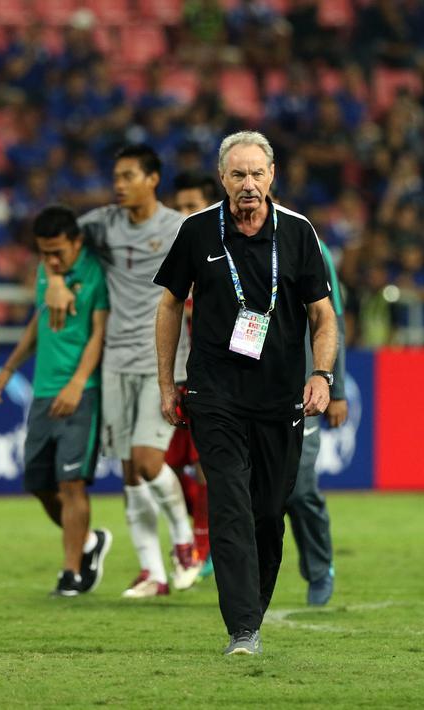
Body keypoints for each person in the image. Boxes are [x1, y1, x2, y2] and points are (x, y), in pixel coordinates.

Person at [153, 131, 337, 655]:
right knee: (230, 504)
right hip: (215, 394)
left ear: (272, 175)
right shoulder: (196, 231)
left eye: (257, 173)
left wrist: (321, 375)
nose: (249, 184)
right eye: (238, 174)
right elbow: (169, 305)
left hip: (281, 398)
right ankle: (242, 629)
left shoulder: (300, 234)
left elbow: (323, 316)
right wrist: (169, 383)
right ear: (223, 178)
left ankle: (250, 614)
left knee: (267, 513)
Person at [44, 144, 199, 597]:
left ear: (153, 179)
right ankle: (152, 572)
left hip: (163, 361)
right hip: (116, 362)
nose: (119, 184)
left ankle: (185, 542)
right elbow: (53, 239)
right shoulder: (100, 225)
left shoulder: (178, 227)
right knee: (130, 471)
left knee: (151, 463)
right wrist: (54, 278)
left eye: (129, 175)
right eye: (116, 175)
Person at [0, 205, 113, 597]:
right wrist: (8, 368)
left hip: (82, 392)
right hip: (43, 391)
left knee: (72, 482)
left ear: (77, 241)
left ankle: (71, 572)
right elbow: (39, 322)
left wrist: (78, 382)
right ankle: (91, 541)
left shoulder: (98, 271)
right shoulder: (47, 272)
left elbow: (99, 331)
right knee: (39, 483)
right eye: (44, 253)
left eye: (58, 251)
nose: (50, 260)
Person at [167, 169, 223, 584]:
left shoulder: (226, 249)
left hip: (209, 375)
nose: (184, 214)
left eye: (193, 206)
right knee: (158, 466)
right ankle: (191, 537)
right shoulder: (173, 248)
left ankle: (205, 547)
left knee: (206, 466)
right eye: (179, 206)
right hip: (173, 375)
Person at [286, 228, 347, 607]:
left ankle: (319, 569)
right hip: (248, 391)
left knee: (299, 489)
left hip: (302, 390)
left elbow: (331, 317)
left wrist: (334, 389)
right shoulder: (223, 239)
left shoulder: (308, 243)